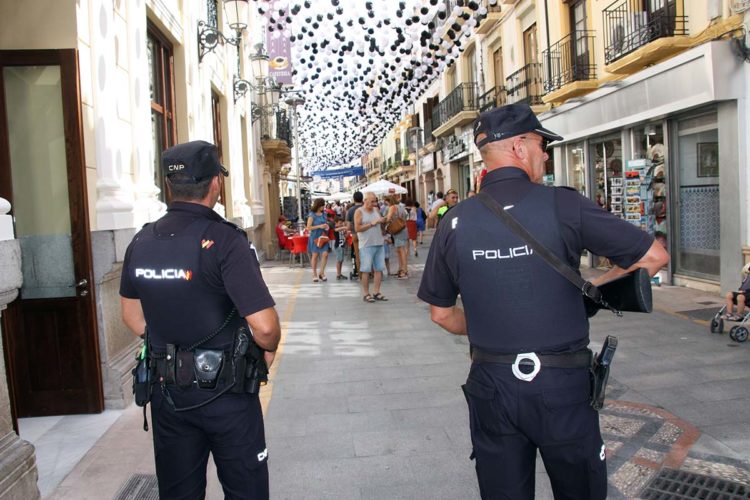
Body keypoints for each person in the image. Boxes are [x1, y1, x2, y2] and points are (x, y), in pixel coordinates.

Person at [417, 104, 669, 499]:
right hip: (561, 385)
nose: (546, 154)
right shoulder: (564, 205)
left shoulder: (453, 221)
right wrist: (593, 290)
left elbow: (441, 313)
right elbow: (654, 257)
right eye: (541, 144)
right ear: (519, 147)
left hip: (492, 386)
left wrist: (488, 320)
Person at [119, 140, 281, 499]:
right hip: (228, 393)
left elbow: (131, 315)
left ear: (169, 186)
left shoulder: (141, 240)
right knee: (246, 490)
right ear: (215, 185)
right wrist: (266, 349)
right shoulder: (225, 240)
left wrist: (172, 342)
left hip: (168, 393)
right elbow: (265, 326)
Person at [354, 191, 388, 303]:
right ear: (365, 201)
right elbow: (357, 228)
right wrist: (372, 224)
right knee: (366, 270)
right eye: (372, 201)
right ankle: (366, 293)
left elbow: (380, 223)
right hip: (366, 245)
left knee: (379, 269)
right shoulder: (359, 212)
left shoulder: (376, 210)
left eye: (375, 201)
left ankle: (377, 292)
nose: (374, 203)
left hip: (379, 242)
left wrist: (383, 222)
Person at [384, 194, 409, 279]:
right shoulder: (401, 207)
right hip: (403, 229)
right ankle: (401, 269)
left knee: (401, 251)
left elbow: (388, 218)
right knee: (400, 250)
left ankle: (404, 271)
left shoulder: (392, 207)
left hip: (398, 230)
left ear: (389, 201)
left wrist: (383, 220)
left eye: (386, 203)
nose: (386, 205)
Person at [307, 198, 330, 283]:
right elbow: (308, 227)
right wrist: (319, 226)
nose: (324, 207)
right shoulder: (312, 215)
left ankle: (322, 272)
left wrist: (326, 226)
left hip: (323, 236)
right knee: (315, 255)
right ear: (318, 205)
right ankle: (314, 274)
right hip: (315, 237)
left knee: (325, 254)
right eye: (322, 205)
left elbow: (326, 223)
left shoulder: (324, 214)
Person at [346, 191, 364, 279]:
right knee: (368, 253)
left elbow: (348, 226)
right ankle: (370, 273)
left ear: (354, 199)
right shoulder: (365, 208)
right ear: (362, 198)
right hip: (365, 234)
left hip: (355, 234)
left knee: (357, 254)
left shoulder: (350, 210)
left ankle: (360, 275)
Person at [332, 216, 349, 280]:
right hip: (338, 246)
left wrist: (346, 233)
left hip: (342, 246)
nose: (341, 224)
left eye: (342, 223)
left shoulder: (341, 229)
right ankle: (338, 274)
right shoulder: (336, 228)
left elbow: (345, 236)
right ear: (336, 223)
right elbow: (336, 230)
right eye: (340, 223)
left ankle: (340, 273)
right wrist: (344, 227)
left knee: (341, 260)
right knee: (339, 260)